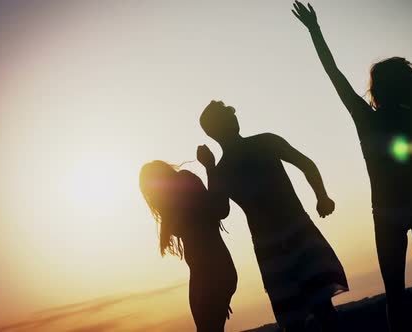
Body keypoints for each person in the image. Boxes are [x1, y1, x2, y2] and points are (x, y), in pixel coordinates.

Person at [292, 2, 412, 331]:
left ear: (378, 89)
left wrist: (315, 32)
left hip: (391, 213)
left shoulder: (369, 120)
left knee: (396, 295)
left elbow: (334, 75)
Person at [197, 100, 348, 332]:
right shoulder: (255, 148)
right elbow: (221, 211)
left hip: (285, 240)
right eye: (228, 116)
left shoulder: (234, 163)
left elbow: (305, 164)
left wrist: (322, 196)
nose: (234, 117)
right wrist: (210, 167)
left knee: (315, 312)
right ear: (218, 129)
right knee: (306, 315)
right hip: (283, 241)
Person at [139, 160, 237, 332]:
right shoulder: (168, 204)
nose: (151, 195)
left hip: (213, 272)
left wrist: (210, 168)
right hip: (206, 274)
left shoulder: (183, 182)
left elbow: (219, 210)